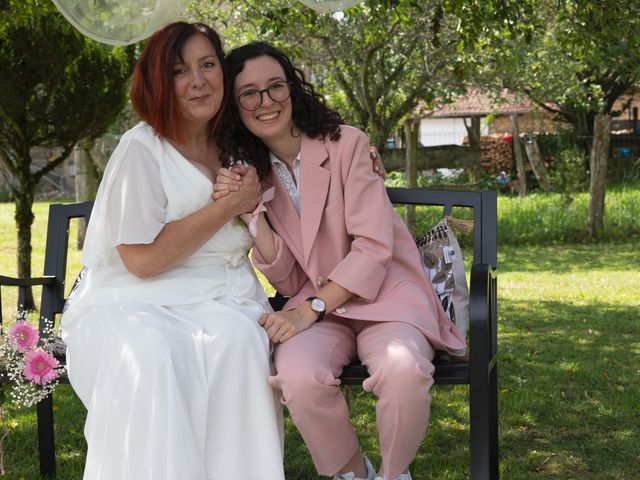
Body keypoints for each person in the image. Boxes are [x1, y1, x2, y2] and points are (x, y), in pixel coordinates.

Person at [214, 42, 466, 480]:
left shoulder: (346, 144)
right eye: (249, 93)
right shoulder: (253, 171)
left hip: (386, 295)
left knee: (403, 371)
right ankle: (352, 473)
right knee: (297, 376)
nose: (266, 102)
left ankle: (393, 475)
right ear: (236, 107)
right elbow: (292, 278)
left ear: (292, 88)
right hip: (318, 306)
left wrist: (310, 310)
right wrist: (252, 216)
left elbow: (373, 248)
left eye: (276, 86)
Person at [59, 23, 286, 480]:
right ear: (160, 82)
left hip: (221, 296)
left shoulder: (238, 142)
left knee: (240, 345)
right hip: (136, 297)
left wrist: (360, 150)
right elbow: (140, 262)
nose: (199, 80)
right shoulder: (141, 149)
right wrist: (229, 208)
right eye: (181, 71)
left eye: (207, 65)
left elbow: (302, 134)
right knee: (153, 354)